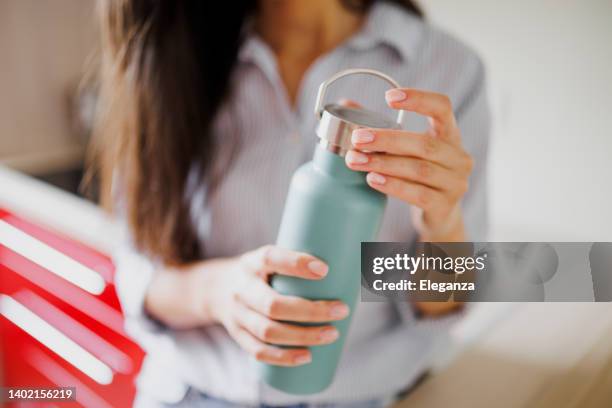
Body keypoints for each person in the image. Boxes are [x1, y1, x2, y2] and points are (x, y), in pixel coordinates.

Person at [92, 0, 490, 406]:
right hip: (190, 392)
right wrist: (218, 291)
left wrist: (441, 223)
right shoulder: (171, 51)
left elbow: (446, 304)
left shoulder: (448, 68)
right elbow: (137, 275)